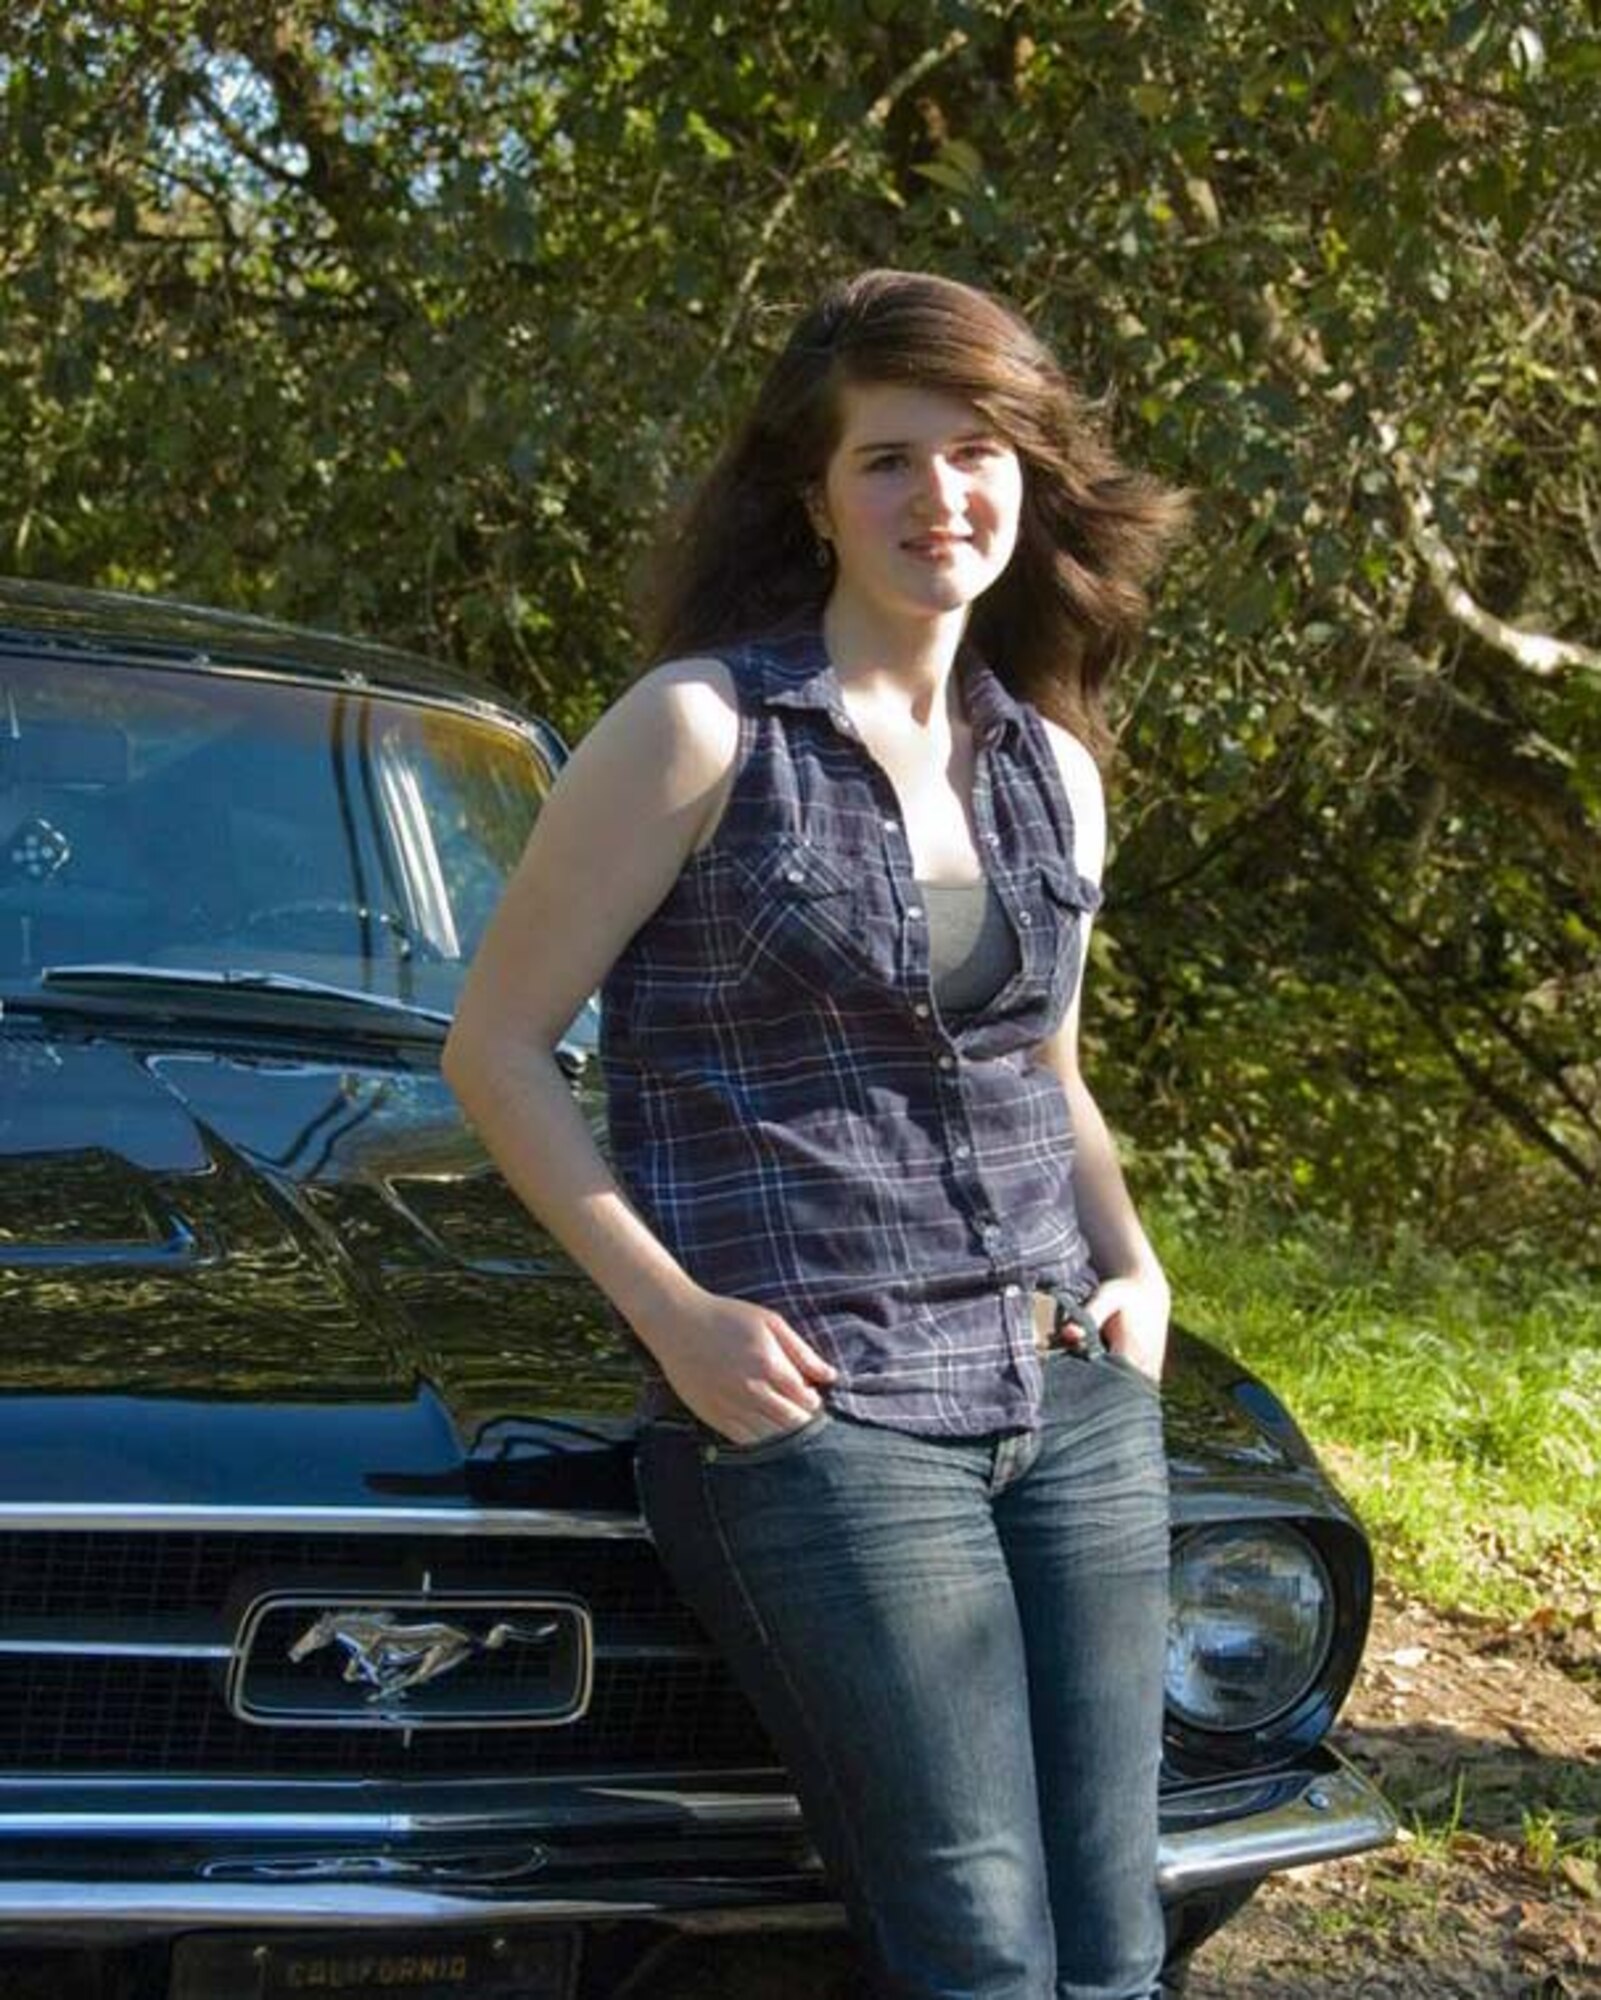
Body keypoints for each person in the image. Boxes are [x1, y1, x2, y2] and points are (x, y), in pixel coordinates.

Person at [443, 268, 1189, 2000]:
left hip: (1062, 1385)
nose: (943, 496)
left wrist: (1138, 1267)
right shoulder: (699, 730)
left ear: (1030, 478)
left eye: (979, 451)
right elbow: (494, 1047)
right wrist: (675, 1320)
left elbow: (1044, 1072)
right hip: (820, 1408)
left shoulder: (1047, 766)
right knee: (980, 1948)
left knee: (1117, 1936)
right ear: (813, 496)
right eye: (891, 459)